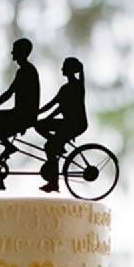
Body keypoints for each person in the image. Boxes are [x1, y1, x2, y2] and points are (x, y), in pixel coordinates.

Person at [0, 38, 40, 192]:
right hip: (19, 114)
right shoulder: (26, 70)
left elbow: (8, 94)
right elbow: (9, 94)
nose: (12, 52)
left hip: (22, 116)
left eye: (14, 49)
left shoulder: (26, 71)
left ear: (21, 52)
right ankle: (8, 145)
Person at [36, 56, 88, 193]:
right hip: (68, 123)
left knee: (49, 146)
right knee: (41, 128)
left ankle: (53, 182)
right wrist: (39, 116)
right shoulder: (66, 88)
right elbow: (54, 105)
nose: (62, 69)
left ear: (70, 69)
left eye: (64, 66)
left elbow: (59, 108)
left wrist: (44, 117)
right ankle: (58, 145)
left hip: (75, 124)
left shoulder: (76, 87)